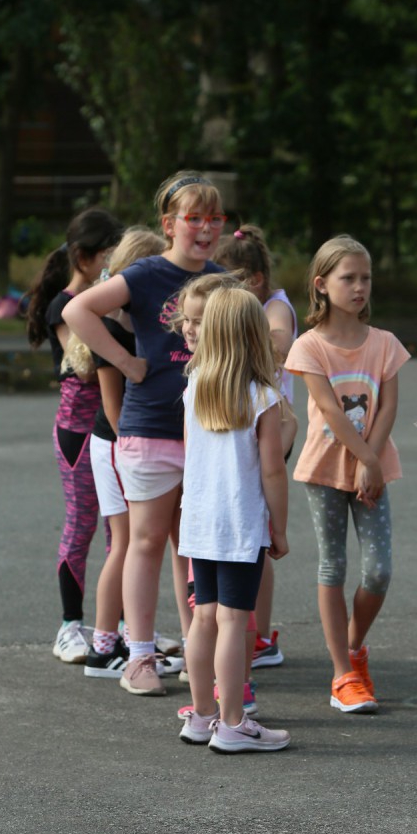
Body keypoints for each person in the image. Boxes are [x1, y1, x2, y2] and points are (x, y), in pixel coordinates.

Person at [63, 171, 227, 696]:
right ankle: (138, 658)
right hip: (149, 430)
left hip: (206, 434)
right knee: (147, 541)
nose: (206, 228)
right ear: (169, 224)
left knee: (193, 549)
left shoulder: (223, 282)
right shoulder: (145, 274)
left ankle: (196, 652)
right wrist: (126, 362)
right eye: (194, 218)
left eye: (214, 218)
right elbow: (76, 309)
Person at [285, 235, 410, 712]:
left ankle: (354, 648)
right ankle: (342, 675)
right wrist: (367, 461)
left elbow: (389, 407)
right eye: (348, 278)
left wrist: (372, 463)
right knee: (332, 566)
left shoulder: (385, 344)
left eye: (366, 278)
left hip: (371, 467)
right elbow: (331, 411)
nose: (360, 287)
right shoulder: (309, 346)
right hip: (326, 467)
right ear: (322, 284)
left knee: (378, 571)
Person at [176, 286, 291, 753]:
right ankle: (232, 722)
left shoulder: (194, 389)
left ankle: (202, 715)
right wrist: (279, 528)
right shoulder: (262, 397)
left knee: (203, 617)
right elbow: (272, 470)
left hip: (199, 520)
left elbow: (191, 456)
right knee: (232, 621)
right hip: (240, 524)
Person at [61, 227, 178, 678]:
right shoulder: (113, 328)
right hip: (116, 443)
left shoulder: (136, 324)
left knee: (128, 544)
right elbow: (113, 407)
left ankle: (122, 640)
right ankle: (104, 648)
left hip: (122, 444)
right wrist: (132, 447)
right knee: (125, 543)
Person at [25, 206, 123, 662]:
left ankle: (121, 625)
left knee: (119, 532)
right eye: (107, 255)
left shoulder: (109, 298)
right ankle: (69, 626)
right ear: (84, 257)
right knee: (82, 525)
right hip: (78, 432)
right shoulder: (64, 306)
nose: (113, 264)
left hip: (114, 427)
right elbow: (85, 365)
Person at [214, 223, 298, 668]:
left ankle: (260, 635)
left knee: (257, 539)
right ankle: (244, 628)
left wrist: (235, 335)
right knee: (245, 534)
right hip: (242, 424)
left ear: (254, 280)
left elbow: (279, 340)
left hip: (269, 425)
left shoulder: (275, 306)